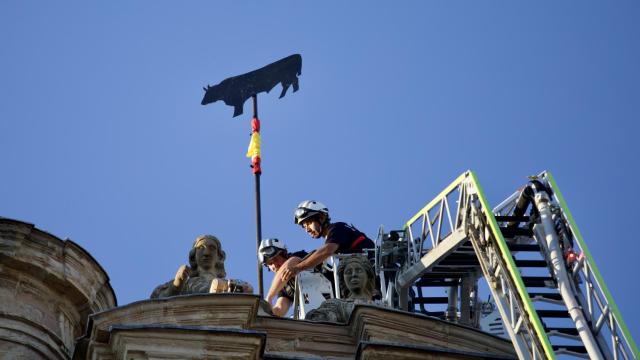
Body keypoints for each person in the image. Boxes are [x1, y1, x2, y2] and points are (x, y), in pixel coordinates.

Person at [281, 200, 375, 283]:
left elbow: (327, 251)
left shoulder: (337, 228)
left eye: (309, 223)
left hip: (368, 272)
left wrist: (298, 268)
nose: (307, 230)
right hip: (361, 273)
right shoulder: (333, 235)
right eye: (304, 227)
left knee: (317, 257)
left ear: (321, 217)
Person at [151, 234, 251, 298]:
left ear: (219, 257)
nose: (206, 253)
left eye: (212, 248)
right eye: (200, 248)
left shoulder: (231, 284)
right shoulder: (185, 284)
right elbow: (157, 301)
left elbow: (249, 294)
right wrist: (177, 284)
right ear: (193, 256)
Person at [259, 238, 308, 317]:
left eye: (275, 259)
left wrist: (269, 298)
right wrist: (264, 313)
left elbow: (288, 266)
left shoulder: (299, 257)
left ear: (284, 254)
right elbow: (280, 309)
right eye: (270, 263)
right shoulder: (283, 287)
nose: (274, 265)